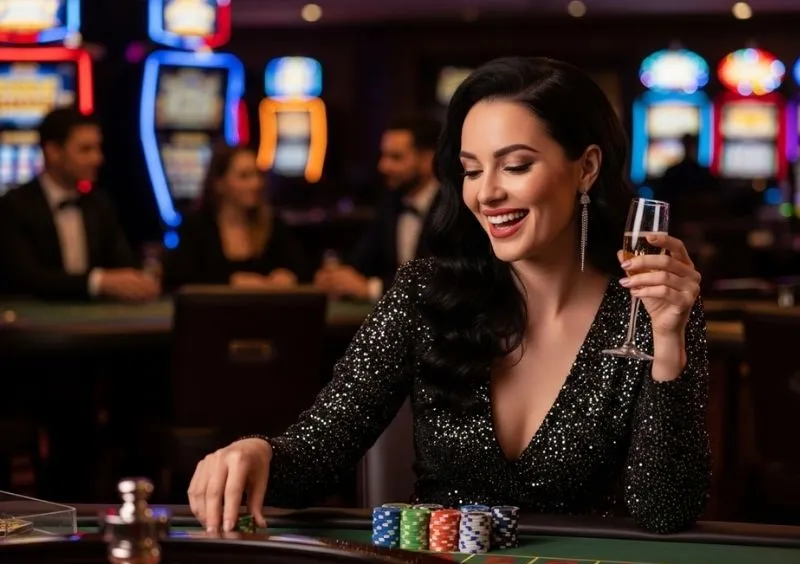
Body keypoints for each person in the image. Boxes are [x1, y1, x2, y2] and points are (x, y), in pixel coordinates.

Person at [188, 57, 710, 535]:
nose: (486, 194)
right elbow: (317, 455)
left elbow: (665, 510)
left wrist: (668, 344)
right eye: (472, 170)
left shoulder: (649, 305)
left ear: (587, 168)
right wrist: (256, 453)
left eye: (516, 165)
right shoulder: (424, 292)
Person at [0, 108, 158, 302]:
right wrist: (96, 282)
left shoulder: (99, 205)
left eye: (98, 148)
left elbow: (121, 265)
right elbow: (24, 279)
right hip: (34, 328)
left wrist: (140, 281)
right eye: (85, 150)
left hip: (92, 326)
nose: (98, 159)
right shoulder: (13, 206)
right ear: (53, 152)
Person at [314, 114, 441, 300]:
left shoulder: (455, 208)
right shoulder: (390, 203)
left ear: (427, 160)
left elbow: (443, 280)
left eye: (395, 157)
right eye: (383, 156)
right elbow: (361, 261)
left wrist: (373, 288)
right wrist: (335, 276)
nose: (383, 166)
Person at [161, 144, 311, 290]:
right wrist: (230, 282)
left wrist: (288, 276)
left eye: (258, 175)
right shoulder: (196, 227)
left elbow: (304, 271)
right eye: (244, 176)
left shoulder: (274, 225)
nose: (256, 184)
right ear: (220, 184)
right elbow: (176, 279)